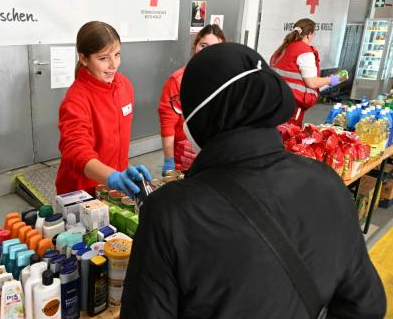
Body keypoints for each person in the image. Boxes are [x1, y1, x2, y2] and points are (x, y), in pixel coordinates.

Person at [121, 43, 386, 319]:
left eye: (183, 106)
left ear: (203, 114)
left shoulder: (169, 213)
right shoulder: (326, 182)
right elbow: (366, 305)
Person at [55, 21, 151, 197]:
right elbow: (75, 150)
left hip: (114, 187)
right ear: (83, 59)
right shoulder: (76, 99)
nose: (113, 64)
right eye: (103, 58)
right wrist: (111, 176)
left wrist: (122, 173)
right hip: (82, 192)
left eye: (117, 54)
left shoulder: (125, 86)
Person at [158, 25, 225, 175]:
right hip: (185, 156)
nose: (207, 51)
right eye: (203, 45)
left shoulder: (225, 79)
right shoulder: (178, 81)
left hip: (214, 153)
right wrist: (169, 160)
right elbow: (168, 123)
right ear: (195, 46)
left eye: (214, 47)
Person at [270, 18, 348, 125]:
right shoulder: (304, 52)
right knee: (288, 135)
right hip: (293, 103)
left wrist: (329, 82)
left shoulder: (284, 48)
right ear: (309, 34)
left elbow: (296, 80)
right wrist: (333, 79)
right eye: (314, 33)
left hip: (276, 98)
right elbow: (312, 83)